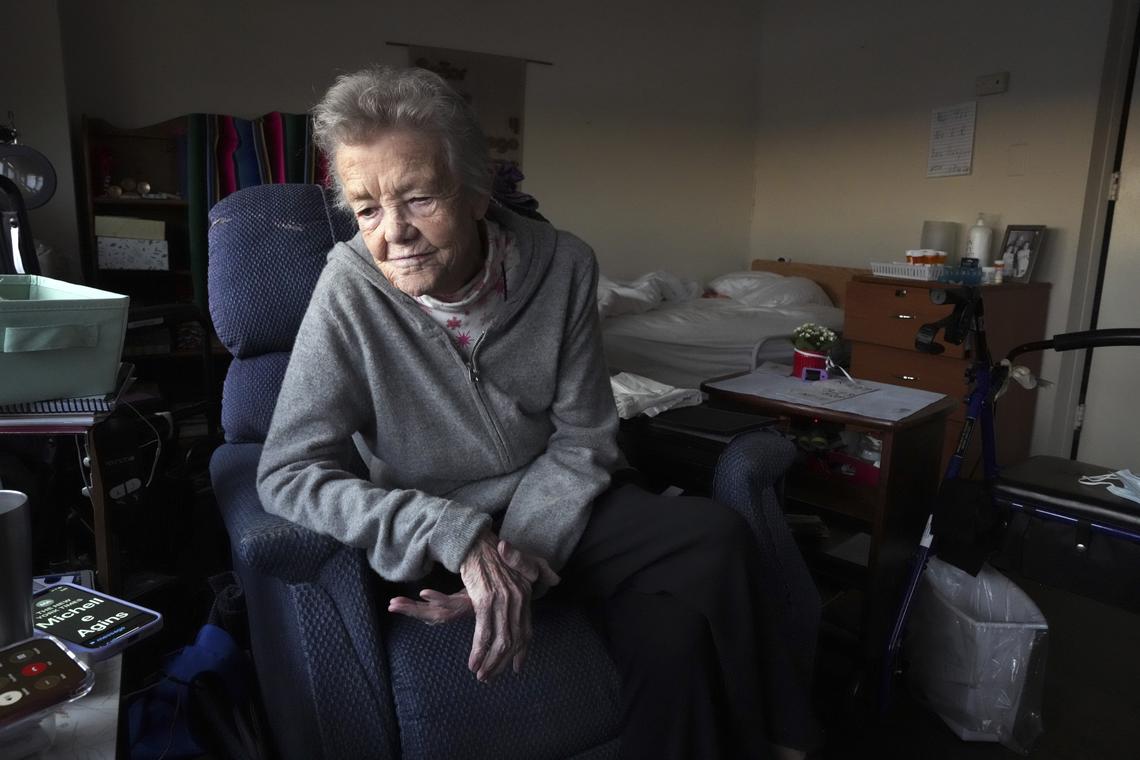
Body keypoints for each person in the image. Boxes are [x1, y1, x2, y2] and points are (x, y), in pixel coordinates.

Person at [257, 65, 816, 759]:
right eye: (367, 209)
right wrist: (455, 536)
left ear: (478, 192)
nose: (393, 234)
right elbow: (286, 473)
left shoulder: (564, 266)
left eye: (419, 197)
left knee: (714, 540)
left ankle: (771, 738)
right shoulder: (349, 288)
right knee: (670, 603)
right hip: (434, 527)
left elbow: (585, 434)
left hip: (557, 502)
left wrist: (521, 562)